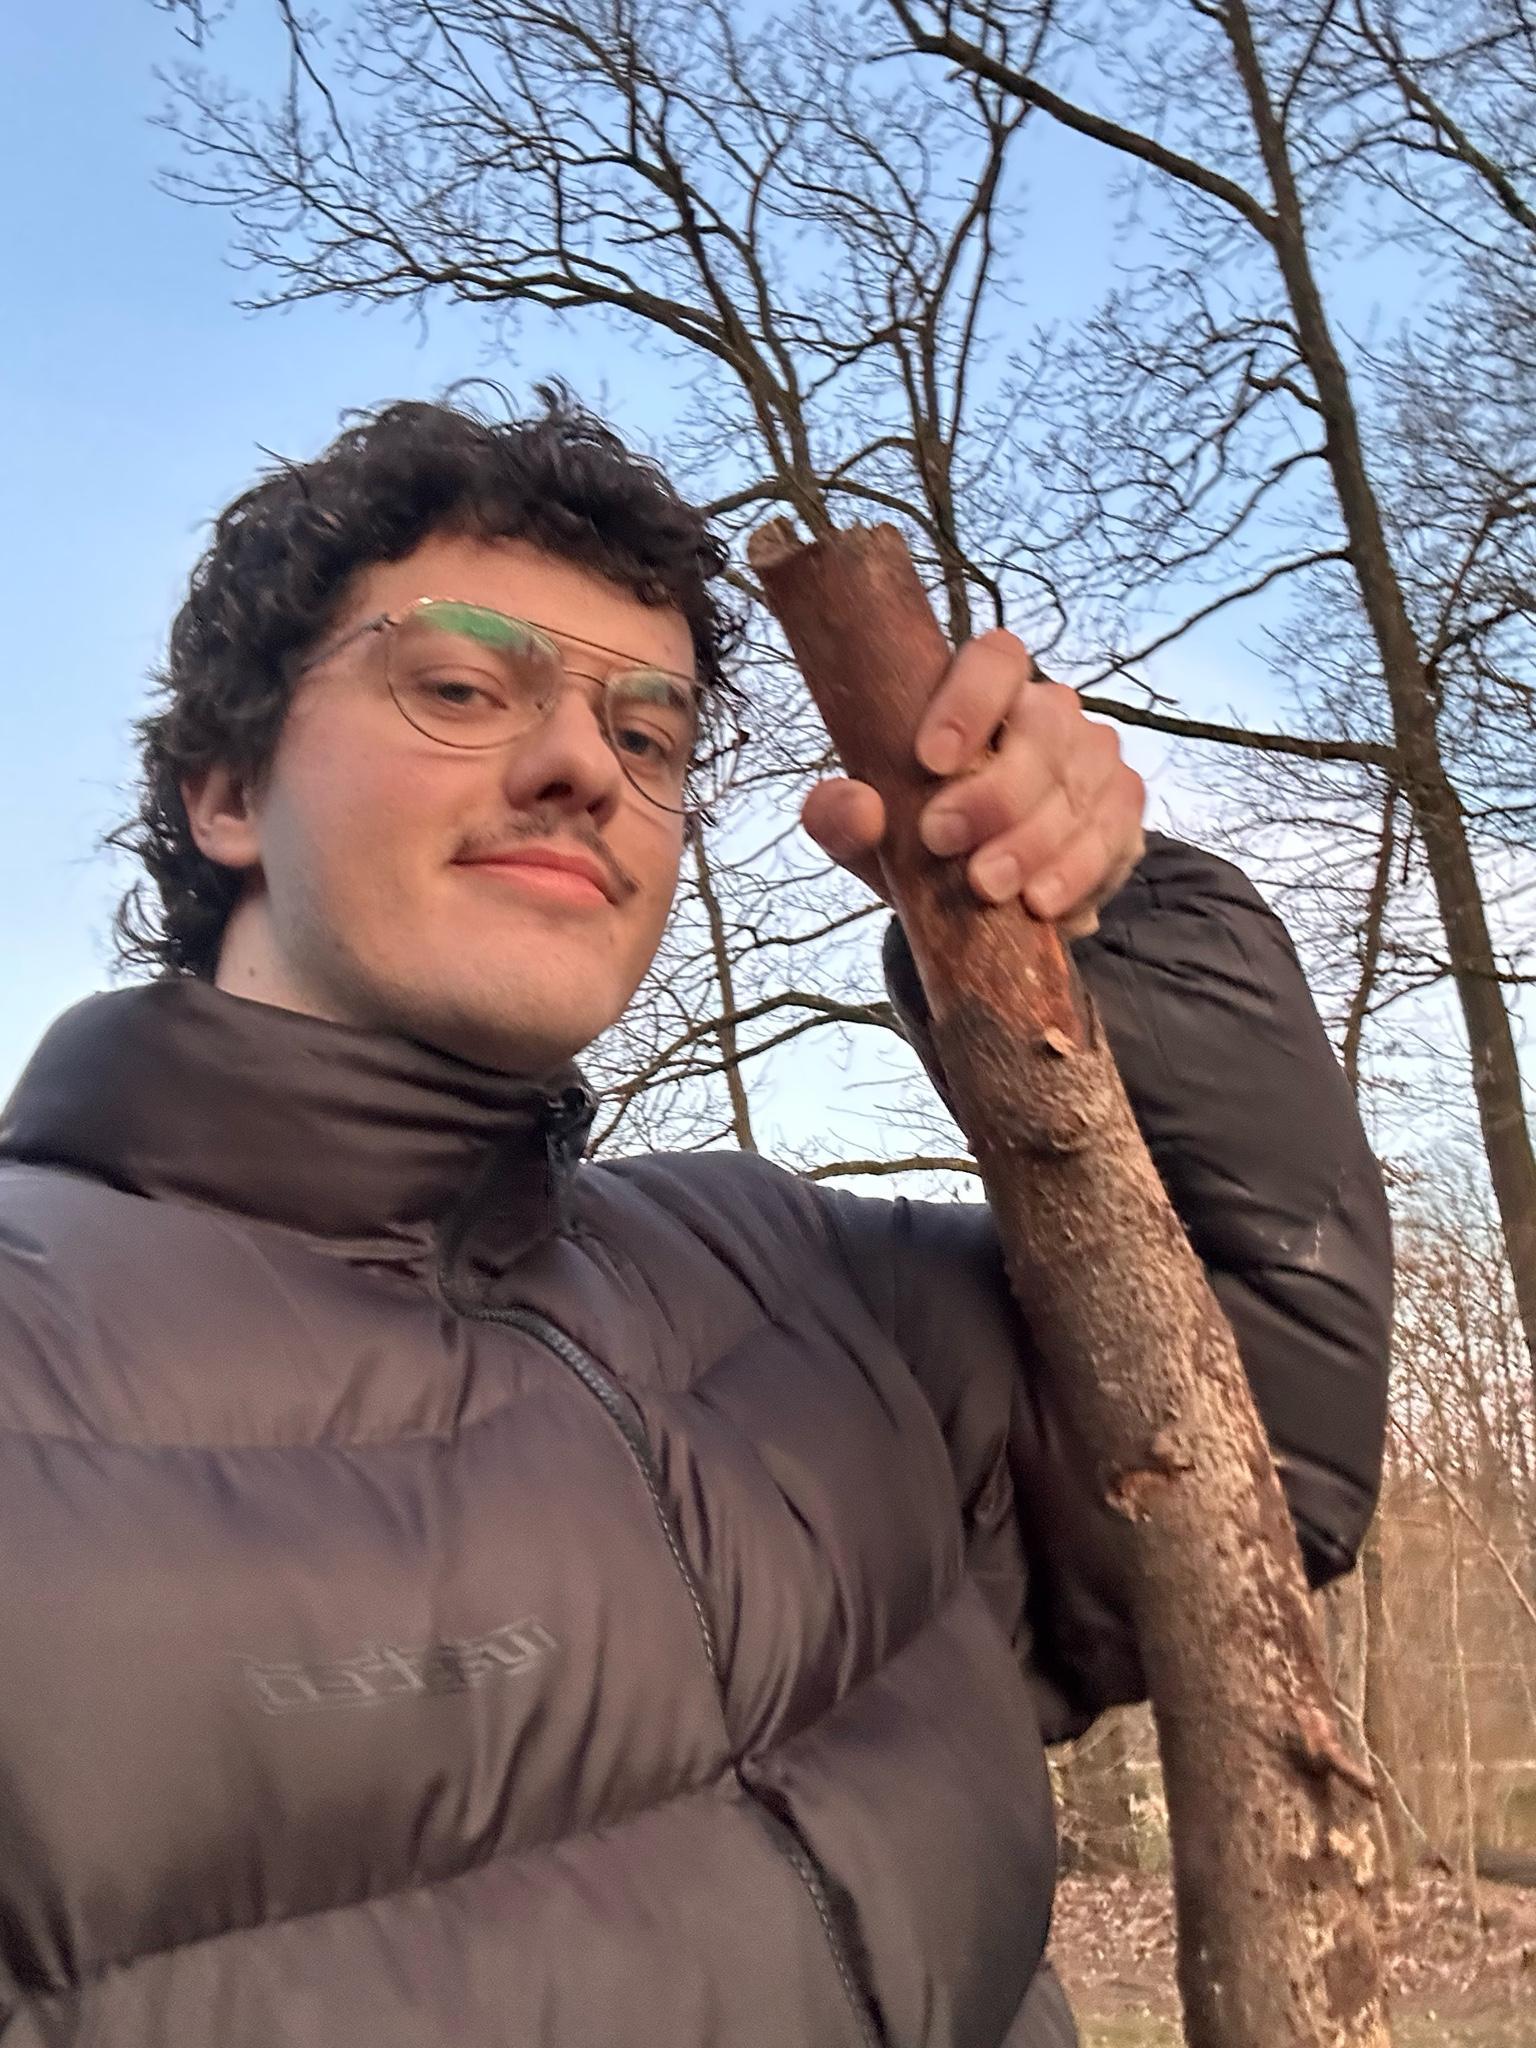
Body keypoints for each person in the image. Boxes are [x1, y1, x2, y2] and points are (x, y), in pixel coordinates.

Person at [0, 396, 1389, 2048]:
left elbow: (1255, 1456)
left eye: (648, 737)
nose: (587, 766)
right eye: (461, 688)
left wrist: (1112, 924)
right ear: (228, 792)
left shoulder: (793, 1284)